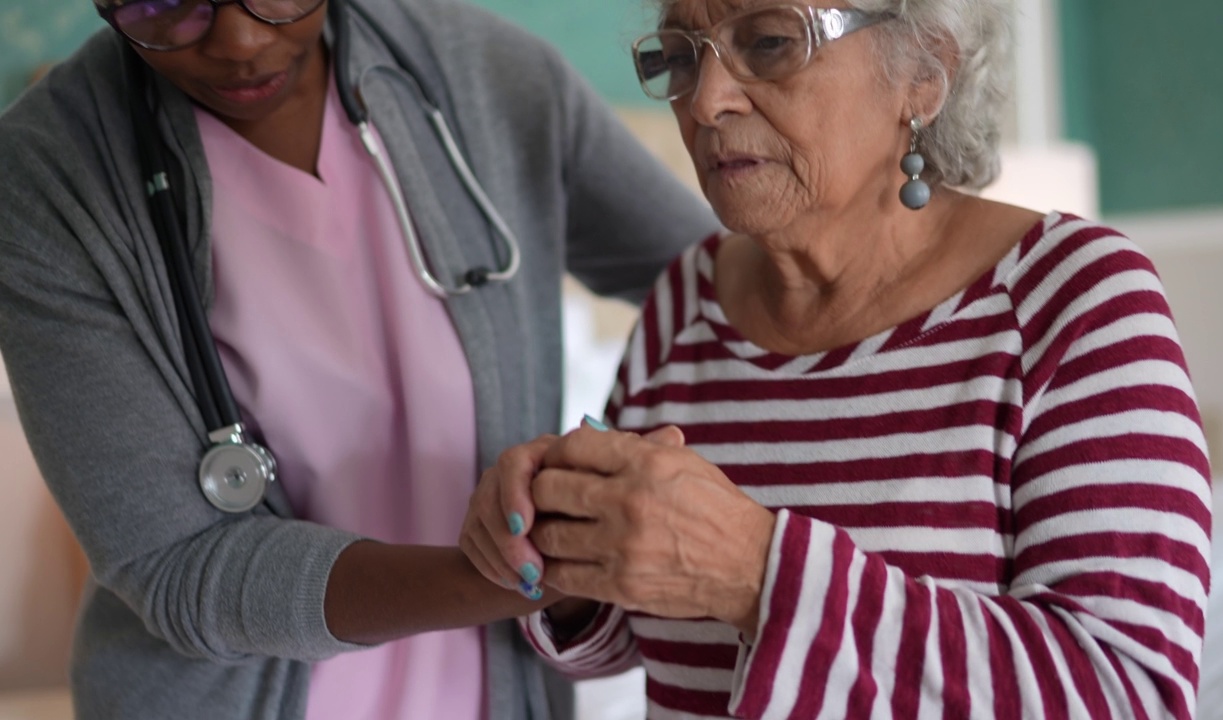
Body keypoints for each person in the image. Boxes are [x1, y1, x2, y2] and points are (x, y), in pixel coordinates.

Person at [461, 0, 1213, 717]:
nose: (705, 102)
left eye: (769, 42)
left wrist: (758, 575)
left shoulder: (1073, 298)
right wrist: (561, 548)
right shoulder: (684, 303)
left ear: (922, 73)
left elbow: (1129, 692)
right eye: (683, 56)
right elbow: (646, 631)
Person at [0, 0, 720, 718]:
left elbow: (737, 290)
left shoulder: (492, 78)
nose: (241, 41)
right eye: (167, 2)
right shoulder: (48, 179)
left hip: (503, 694)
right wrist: (547, 570)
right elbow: (179, 566)